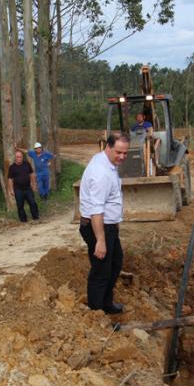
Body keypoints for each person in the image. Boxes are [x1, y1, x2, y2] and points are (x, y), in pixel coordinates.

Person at [79, 133, 130, 314]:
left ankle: (106, 304)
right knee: (101, 270)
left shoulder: (107, 163)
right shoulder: (101, 174)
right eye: (118, 152)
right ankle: (96, 312)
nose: (122, 157)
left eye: (125, 153)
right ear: (108, 147)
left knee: (115, 263)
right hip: (97, 227)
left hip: (107, 226)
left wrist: (114, 224)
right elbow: (96, 210)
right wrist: (100, 240)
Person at [8, 150, 39, 223]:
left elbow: (31, 174)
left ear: (22, 157)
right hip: (18, 190)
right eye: (18, 157)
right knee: (20, 206)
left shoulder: (27, 164)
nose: (19, 158)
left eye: (20, 157)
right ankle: (23, 220)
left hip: (28, 188)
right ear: (15, 158)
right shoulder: (12, 167)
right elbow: (10, 179)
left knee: (32, 202)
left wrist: (33, 184)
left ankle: (36, 217)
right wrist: (11, 190)